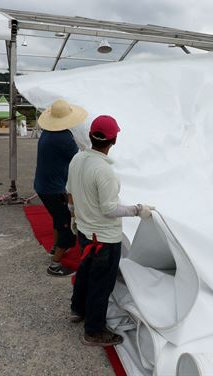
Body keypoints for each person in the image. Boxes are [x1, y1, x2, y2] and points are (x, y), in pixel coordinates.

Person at [66, 115, 154, 347]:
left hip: (85, 232)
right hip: (103, 239)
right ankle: (93, 331)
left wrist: (75, 213)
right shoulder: (103, 171)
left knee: (85, 272)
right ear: (113, 140)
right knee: (101, 285)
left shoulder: (77, 159)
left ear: (90, 135)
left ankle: (77, 309)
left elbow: (70, 192)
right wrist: (138, 210)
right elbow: (109, 209)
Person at [34, 99, 88, 276]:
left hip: (43, 185)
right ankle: (55, 265)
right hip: (53, 189)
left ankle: (54, 249)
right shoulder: (63, 137)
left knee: (58, 219)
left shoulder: (47, 133)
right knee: (66, 225)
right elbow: (78, 158)